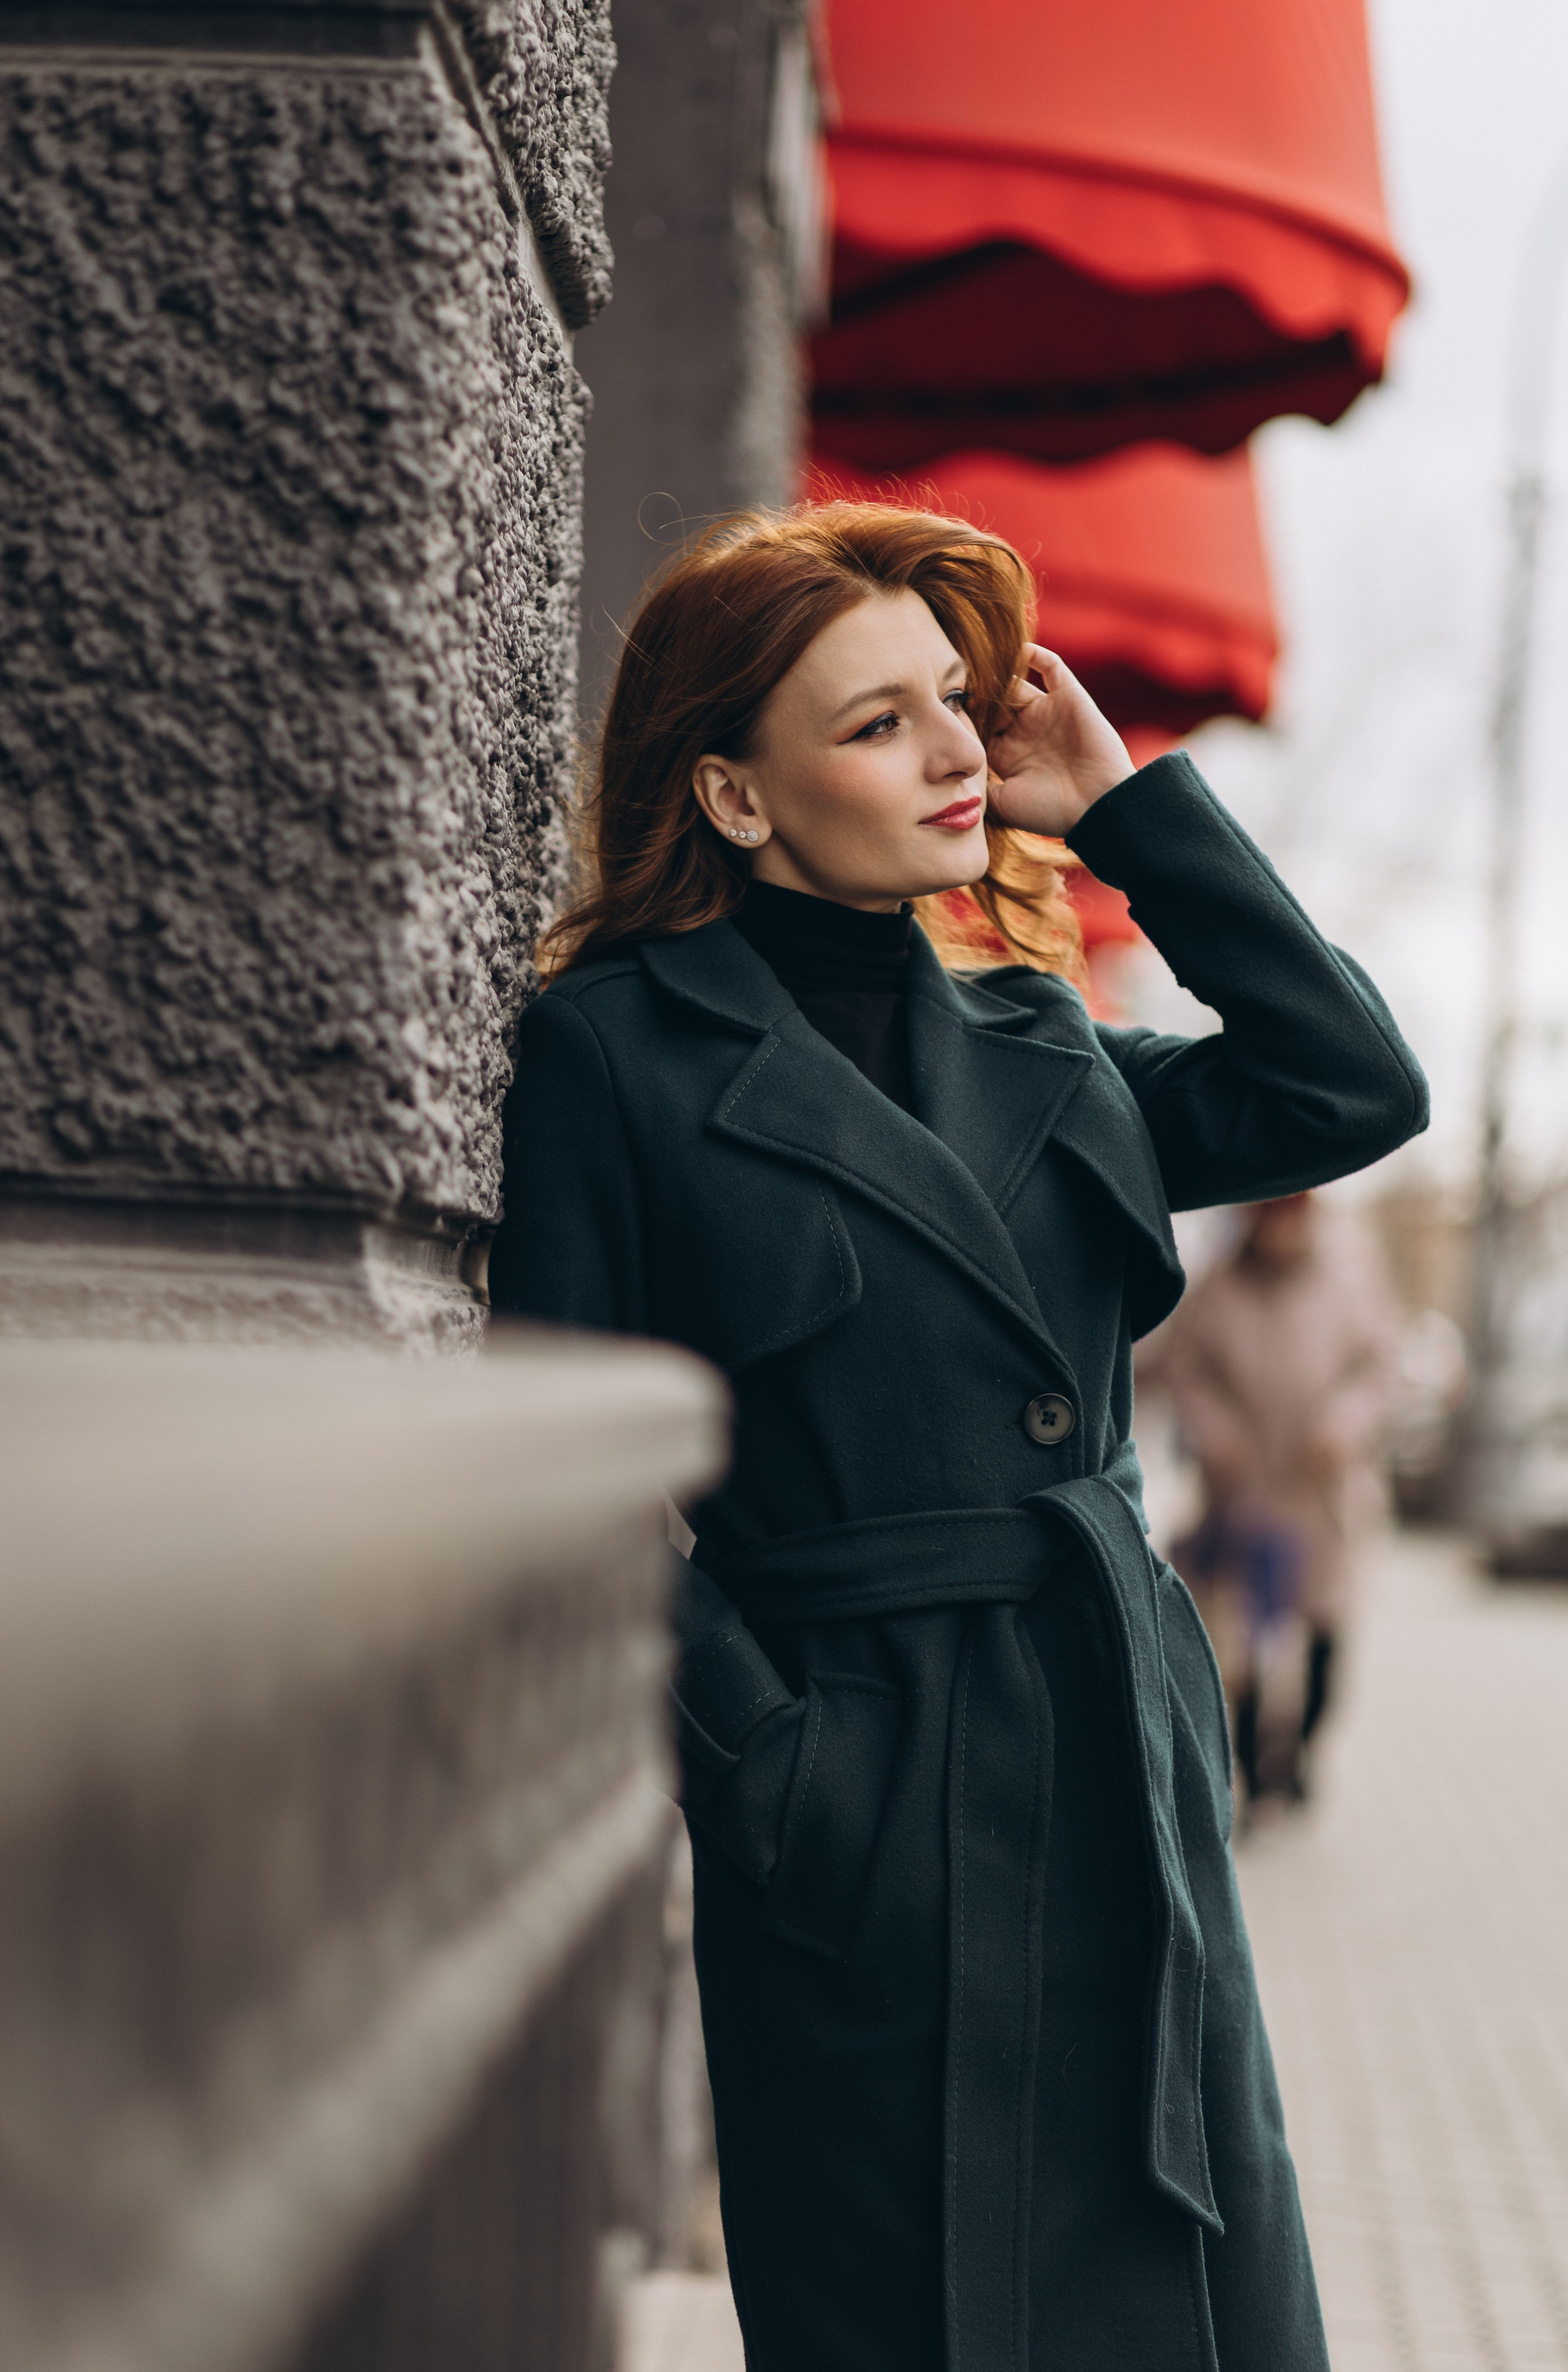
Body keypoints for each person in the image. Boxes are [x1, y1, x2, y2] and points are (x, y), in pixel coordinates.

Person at [490, 504, 1428, 2372]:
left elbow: (1351, 1079)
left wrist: (1135, 814)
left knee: (1187, 2294)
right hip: (862, 1792)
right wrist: (771, 1773)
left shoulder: (1043, 1038)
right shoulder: (615, 1055)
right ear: (736, 795)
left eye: (956, 703)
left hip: (1114, 1757)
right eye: (874, 722)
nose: (951, 753)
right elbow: (564, 1479)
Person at [1165, 1193, 1401, 1809]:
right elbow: (1185, 1368)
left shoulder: (1351, 1278)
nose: (1279, 1229)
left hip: (1321, 1494)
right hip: (1243, 1495)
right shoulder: (1218, 1285)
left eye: (1291, 1215)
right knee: (1241, 1643)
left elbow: (1376, 1369)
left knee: (1323, 1627)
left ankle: (1300, 1749)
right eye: (1268, 1216)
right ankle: (1251, 1766)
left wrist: (1342, 1426)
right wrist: (1214, 1431)